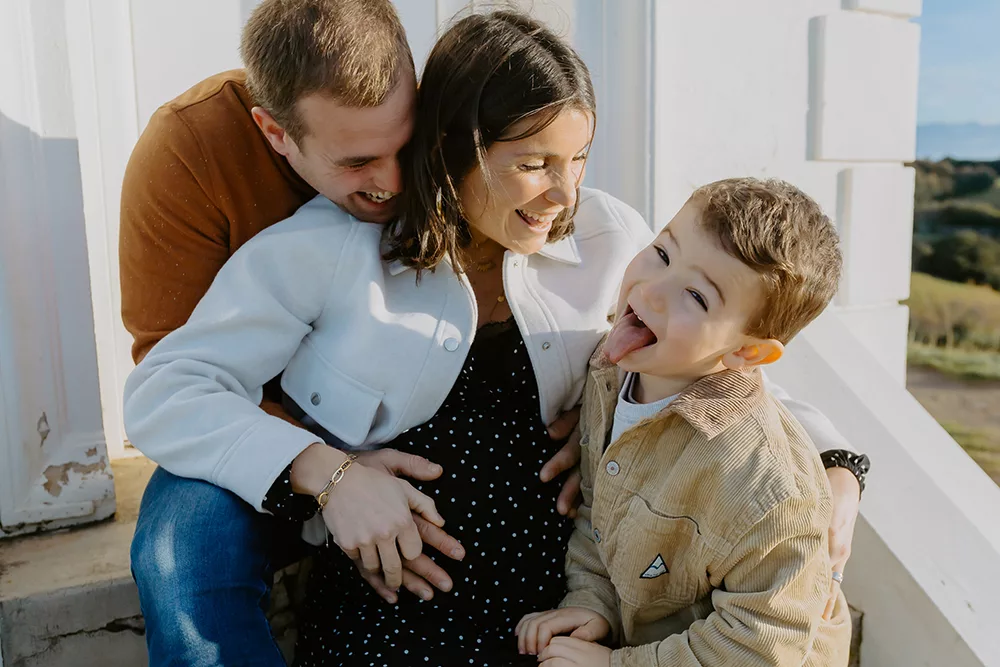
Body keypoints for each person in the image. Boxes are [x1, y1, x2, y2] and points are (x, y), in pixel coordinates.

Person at [121, 3, 865, 666]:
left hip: (554, 596)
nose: (565, 193)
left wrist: (832, 461)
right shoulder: (327, 247)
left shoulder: (609, 235)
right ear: (452, 147)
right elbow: (167, 386)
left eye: (578, 160)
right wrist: (330, 473)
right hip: (396, 602)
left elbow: (716, 357)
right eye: (534, 164)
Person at [516, 178, 868, 667]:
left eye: (697, 297)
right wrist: (592, 604)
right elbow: (600, 511)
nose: (653, 290)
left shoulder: (763, 489)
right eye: (662, 253)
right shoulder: (613, 369)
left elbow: (761, 646)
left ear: (747, 351)